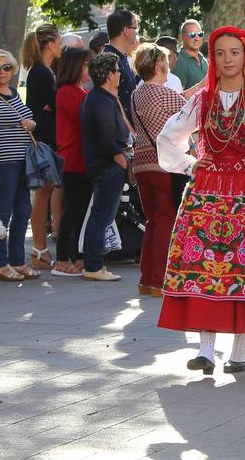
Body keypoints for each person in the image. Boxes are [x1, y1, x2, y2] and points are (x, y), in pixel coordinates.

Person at [0, 48, 40, 281]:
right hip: (4, 162)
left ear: (13, 69)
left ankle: (17, 260)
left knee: (23, 210)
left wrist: (30, 123)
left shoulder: (12, 92)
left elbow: (27, 119)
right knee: (3, 213)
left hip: (22, 160)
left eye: (6, 67)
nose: (2, 72)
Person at [131, 44, 183, 297]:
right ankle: (160, 279)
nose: (169, 64)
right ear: (158, 65)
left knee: (152, 221)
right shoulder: (164, 94)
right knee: (166, 221)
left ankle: (147, 278)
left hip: (141, 163)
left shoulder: (137, 94)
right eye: (165, 60)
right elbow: (191, 110)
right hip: (164, 164)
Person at [78, 53, 132, 283]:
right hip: (107, 166)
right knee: (102, 215)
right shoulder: (100, 100)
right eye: (118, 70)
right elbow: (107, 138)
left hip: (106, 165)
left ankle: (94, 263)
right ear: (110, 75)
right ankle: (94, 264)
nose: (121, 74)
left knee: (101, 214)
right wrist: (120, 159)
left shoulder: (101, 98)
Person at [22, 25, 62, 270]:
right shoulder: (41, 73)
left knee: (44, 194)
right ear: (49, 44)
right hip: (44, 139)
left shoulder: (44, 71)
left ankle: (40, 247)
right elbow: (52, 104)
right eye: (58, 42)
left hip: (46, 136)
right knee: (42, 194)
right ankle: (39, 247)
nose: (60, 46)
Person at [50, 47, 91, 277]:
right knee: (72, 209)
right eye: (85, 65)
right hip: (73, 158)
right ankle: (63, 257)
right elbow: (83, 117)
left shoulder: (83, 92)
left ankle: (76, 255)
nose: (89, 69)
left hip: (83, 158)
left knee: (81, 209)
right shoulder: (66, 92)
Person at [103, 9, 141, 120]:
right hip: (119, 131)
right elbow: (109, 101)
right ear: (126, 30)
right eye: (135, 28)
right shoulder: (108, 59)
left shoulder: (121, 56)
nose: (137, 32)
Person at [172, 19, 209, 90]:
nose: (197, 38)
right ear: (182, 37)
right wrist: (200, 86)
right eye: (192, 35)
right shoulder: (179, 61)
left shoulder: (203, 59)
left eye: (200, 34)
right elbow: (178, 96)